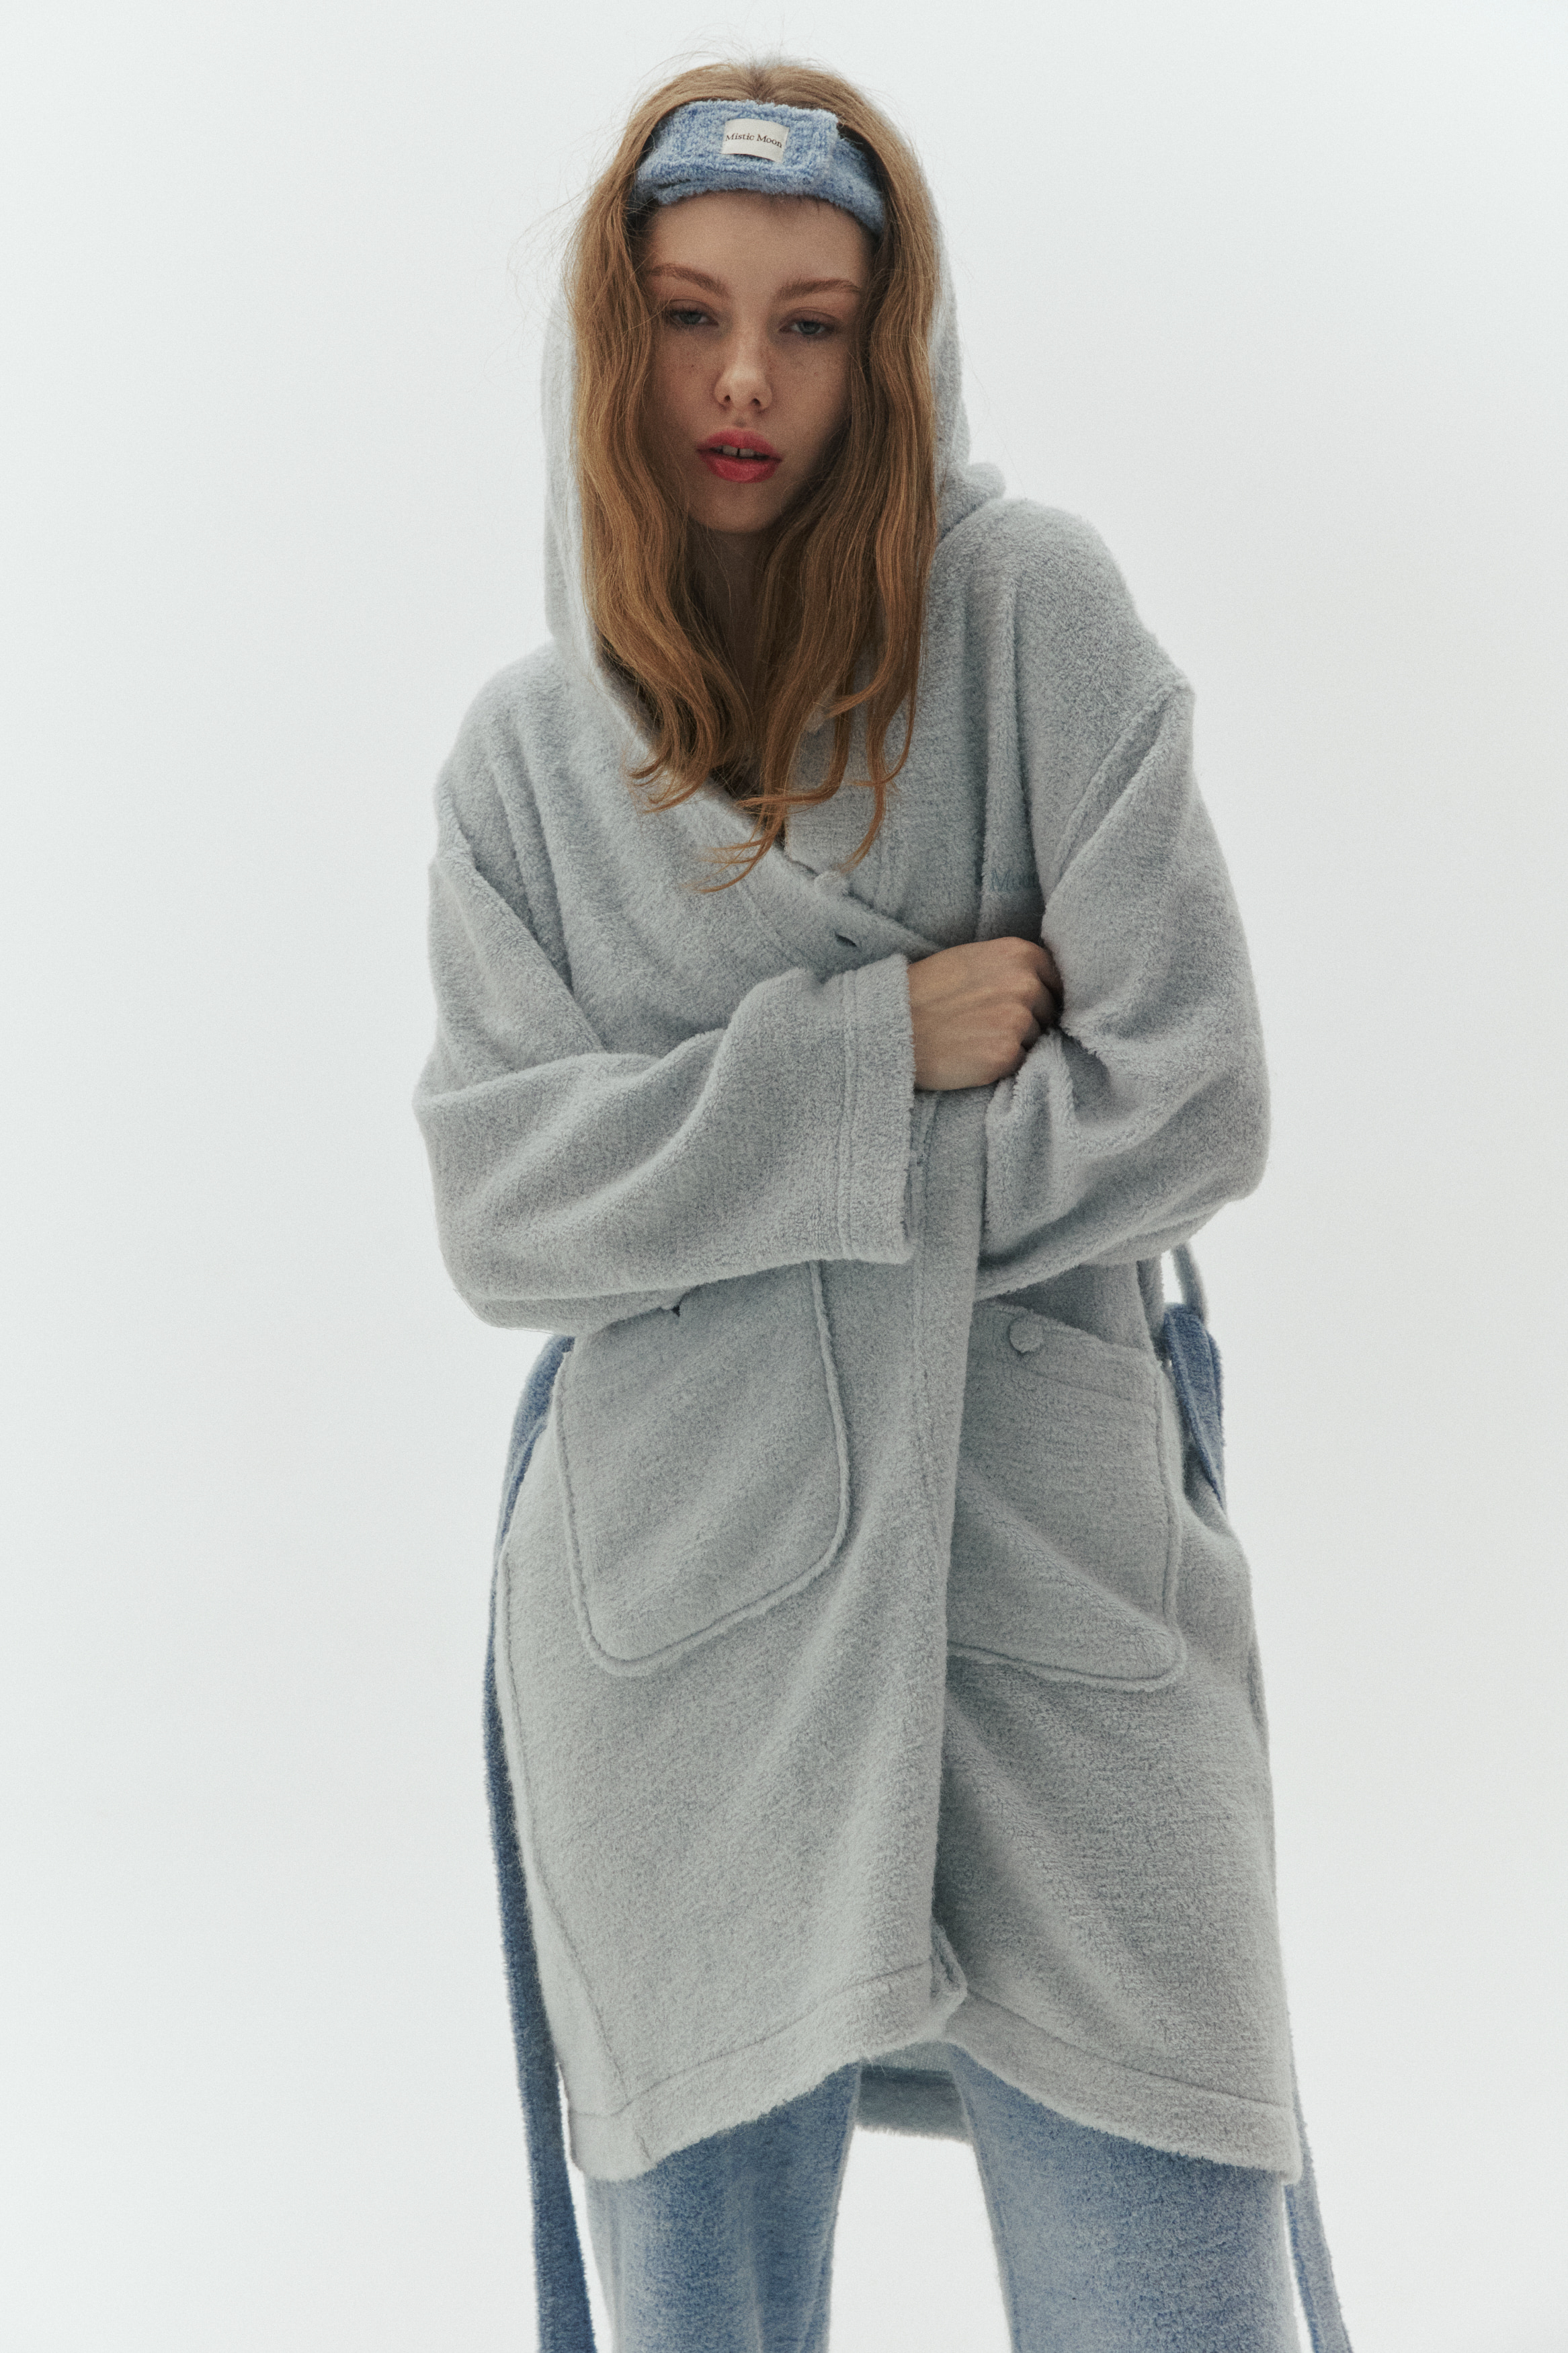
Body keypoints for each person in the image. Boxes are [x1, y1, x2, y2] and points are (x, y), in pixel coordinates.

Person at [414, 59, 1352, 2353]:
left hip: (1050, 1583)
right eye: (690, 314)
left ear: (893, 344)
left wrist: (730, 1196)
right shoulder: (528, 766)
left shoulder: (1034, 619)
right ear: (614, 337)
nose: (744, 379)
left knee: (1176, 2295)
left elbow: (1190, 1092)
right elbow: (507, 1204)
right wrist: (872, 1054)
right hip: (685, 1614)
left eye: (811, 323)